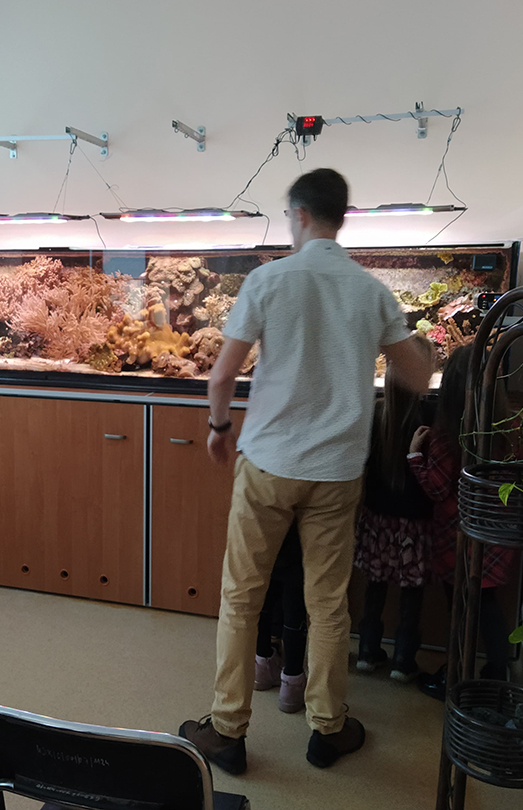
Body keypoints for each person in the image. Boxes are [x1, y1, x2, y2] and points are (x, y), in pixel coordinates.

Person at [178, 168, 433, 774]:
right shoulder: (371, 291)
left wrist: (219, 428)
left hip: (268, 463)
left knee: (242, 598)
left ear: (298, 215)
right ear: (342, 218)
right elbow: (418, 376)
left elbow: (221, 376)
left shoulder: (268, 280)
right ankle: (328, 728)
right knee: (327, 604)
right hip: (337, 472)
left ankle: (228, 730)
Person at [407, 344, 515, 700]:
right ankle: (497, 675)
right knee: (487, 606)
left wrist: (414, 456)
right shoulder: (506, 428)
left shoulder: (449, 434)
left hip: (458, 539)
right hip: (494, 537)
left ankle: (455, 677)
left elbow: (437, 488)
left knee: (460, 610)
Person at [353, 334, 436, 682]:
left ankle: (367, 651)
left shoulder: (375, 413)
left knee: (375, 584)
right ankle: (403, 659)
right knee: (411, 590)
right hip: (415, 521)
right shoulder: (429, 417)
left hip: (377, 518)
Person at [253, 525, 307, 714]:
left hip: (266, 524)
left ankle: (261, 666)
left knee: (264, 594)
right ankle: (292, 682)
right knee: (295, 601)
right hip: (303, 531)